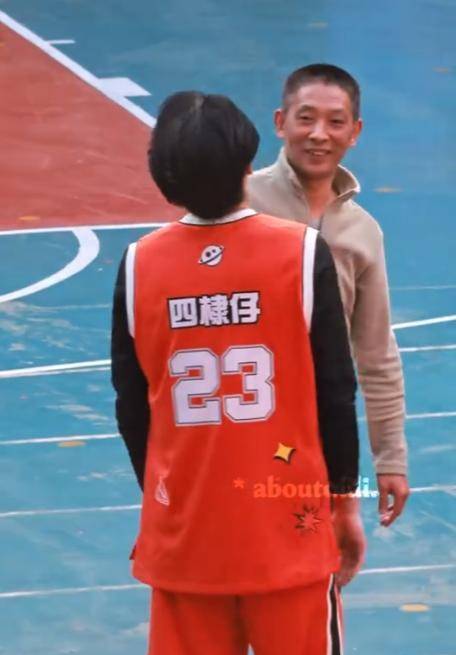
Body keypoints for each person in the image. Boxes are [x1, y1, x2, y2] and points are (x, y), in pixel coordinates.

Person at [111, 91, 365, 655]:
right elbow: (335, 393)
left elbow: (131, 407)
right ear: (248, 165)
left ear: (163, 176)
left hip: (186, 541)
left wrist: (171, 502)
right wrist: (344, 501)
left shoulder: (139, 263)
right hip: (287, 533)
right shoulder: (302, 253)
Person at [247, 64, 409, 526]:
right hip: (240, 428)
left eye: (335, 122)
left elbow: (376, 353)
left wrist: (391, 459)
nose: (319, 134)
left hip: (321, 439)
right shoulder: (240, 204)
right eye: (306, 118)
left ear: (354, 132)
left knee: (318, 554)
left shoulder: (363, 234)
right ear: (280, 122)